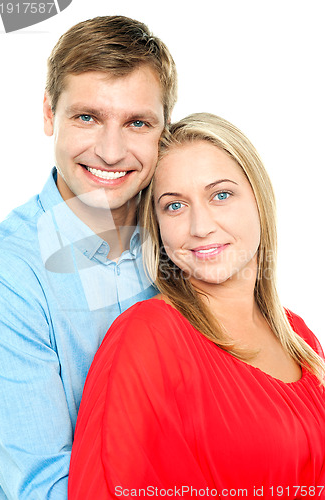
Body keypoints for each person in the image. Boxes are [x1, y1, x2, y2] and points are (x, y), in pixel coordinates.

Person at [68, 113, 325, 499]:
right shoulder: (147, 338)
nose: (200, 226)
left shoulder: (298, 335)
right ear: (156, 226)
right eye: (174, 206)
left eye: (221, 195)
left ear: (259, 197)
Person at [0, 16, 177, 499]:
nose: (111, 152)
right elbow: (42, 489)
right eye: (87, 117)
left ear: (164, 130)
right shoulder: (8, 275)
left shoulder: (183, 238)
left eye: (137, 123)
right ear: (50, 114)